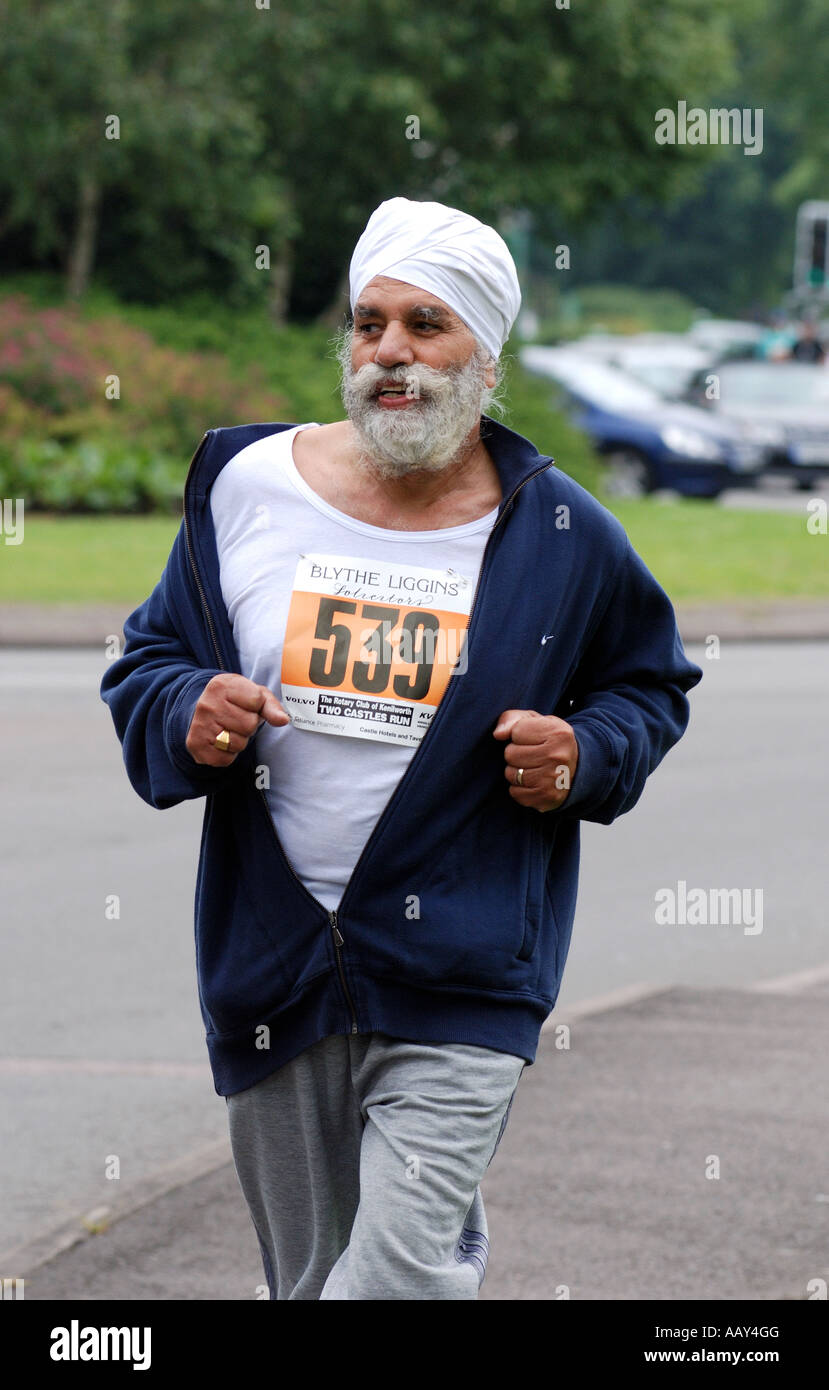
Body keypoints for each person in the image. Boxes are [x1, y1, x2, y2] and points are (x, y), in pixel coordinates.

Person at [100, 196, 702, 1301]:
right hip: (271, 967)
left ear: (484, 356)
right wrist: (188, 711)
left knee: (395, 1277)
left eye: (427, 325)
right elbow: (144, 664)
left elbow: (648, 684)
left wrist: (583, 752)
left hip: (462, 973)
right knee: (312, 1278)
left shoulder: (559, 532)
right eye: (369, 323)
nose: (391, 354)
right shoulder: (244, 487)